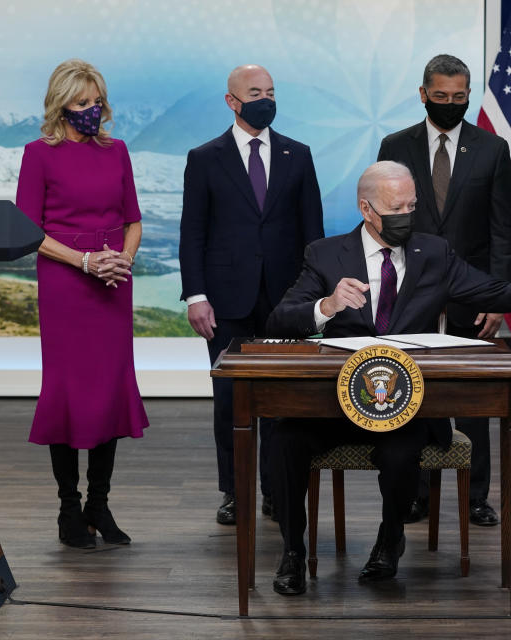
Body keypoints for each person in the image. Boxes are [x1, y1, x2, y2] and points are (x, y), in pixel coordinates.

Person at [266, 161, 511, 595]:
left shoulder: (432, 252)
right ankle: (293, 552)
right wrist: (326, 305)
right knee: (284, 439)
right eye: (397, 208)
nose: (407, 216)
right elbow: (280, 319)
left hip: (409, 404)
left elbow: (497, 292)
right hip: (337, 403)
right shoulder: (325, 253)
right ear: (366, 209)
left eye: (413, 205)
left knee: (400, 453)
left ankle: (391, 536)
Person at [179, 64, 324, 525]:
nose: (266, 99)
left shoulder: (297, 155)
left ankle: (276, 489)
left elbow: (313, 234)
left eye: (271, 91)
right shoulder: (204, 158)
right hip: (226, 301)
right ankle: (234, 490)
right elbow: (193, 234)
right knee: (231, 403)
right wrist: (195, 295)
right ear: (232, 101)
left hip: (287, 301)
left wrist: (314, 298)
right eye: (255, 92)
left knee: (283, 401)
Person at [377, 53, 511, 527]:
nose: (450, 104)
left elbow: (503, 231)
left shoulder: (492, 149)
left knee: (471, 401)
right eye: (441, 97)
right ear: (423, 94)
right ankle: (416, 494)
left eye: (460, 97)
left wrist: (497, 297)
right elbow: (381, 224)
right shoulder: (395, 145)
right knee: (410, 397)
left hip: (471, 296)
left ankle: (475, 496)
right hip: (410, 295)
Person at [16, 59, 148, 548]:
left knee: (111, 391)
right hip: (66, 283)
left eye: (96, 102)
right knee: (68, 393)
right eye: (81, 103)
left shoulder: (117, 152)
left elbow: (132, 219)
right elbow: (30, 232)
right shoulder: (39, 154)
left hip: (113, 281)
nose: (92, 110)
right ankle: (68, 510)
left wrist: (121, 260)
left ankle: (99, 505)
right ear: (61, 105)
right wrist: (86, 261)